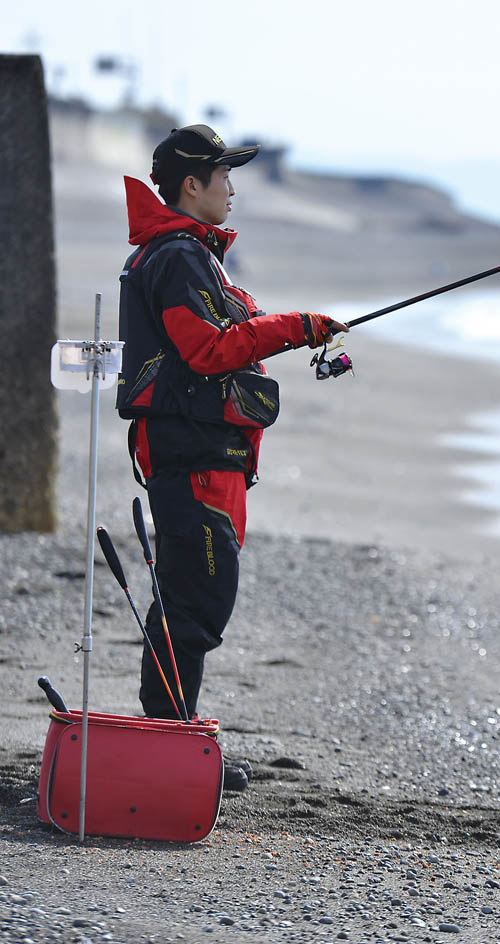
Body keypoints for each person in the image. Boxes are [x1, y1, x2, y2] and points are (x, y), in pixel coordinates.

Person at [116, 124, 348, 790]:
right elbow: (208, 351)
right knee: (197, 601)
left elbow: (222, 338)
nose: (232, 188)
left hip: (204, 456)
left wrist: (289, 330)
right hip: (191, 458)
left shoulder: (186, 255)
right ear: (192, 185)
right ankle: (169, 740)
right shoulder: (177, 257)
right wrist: (295, 326)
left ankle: (172, 734)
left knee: (189, 599)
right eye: (224, 177)